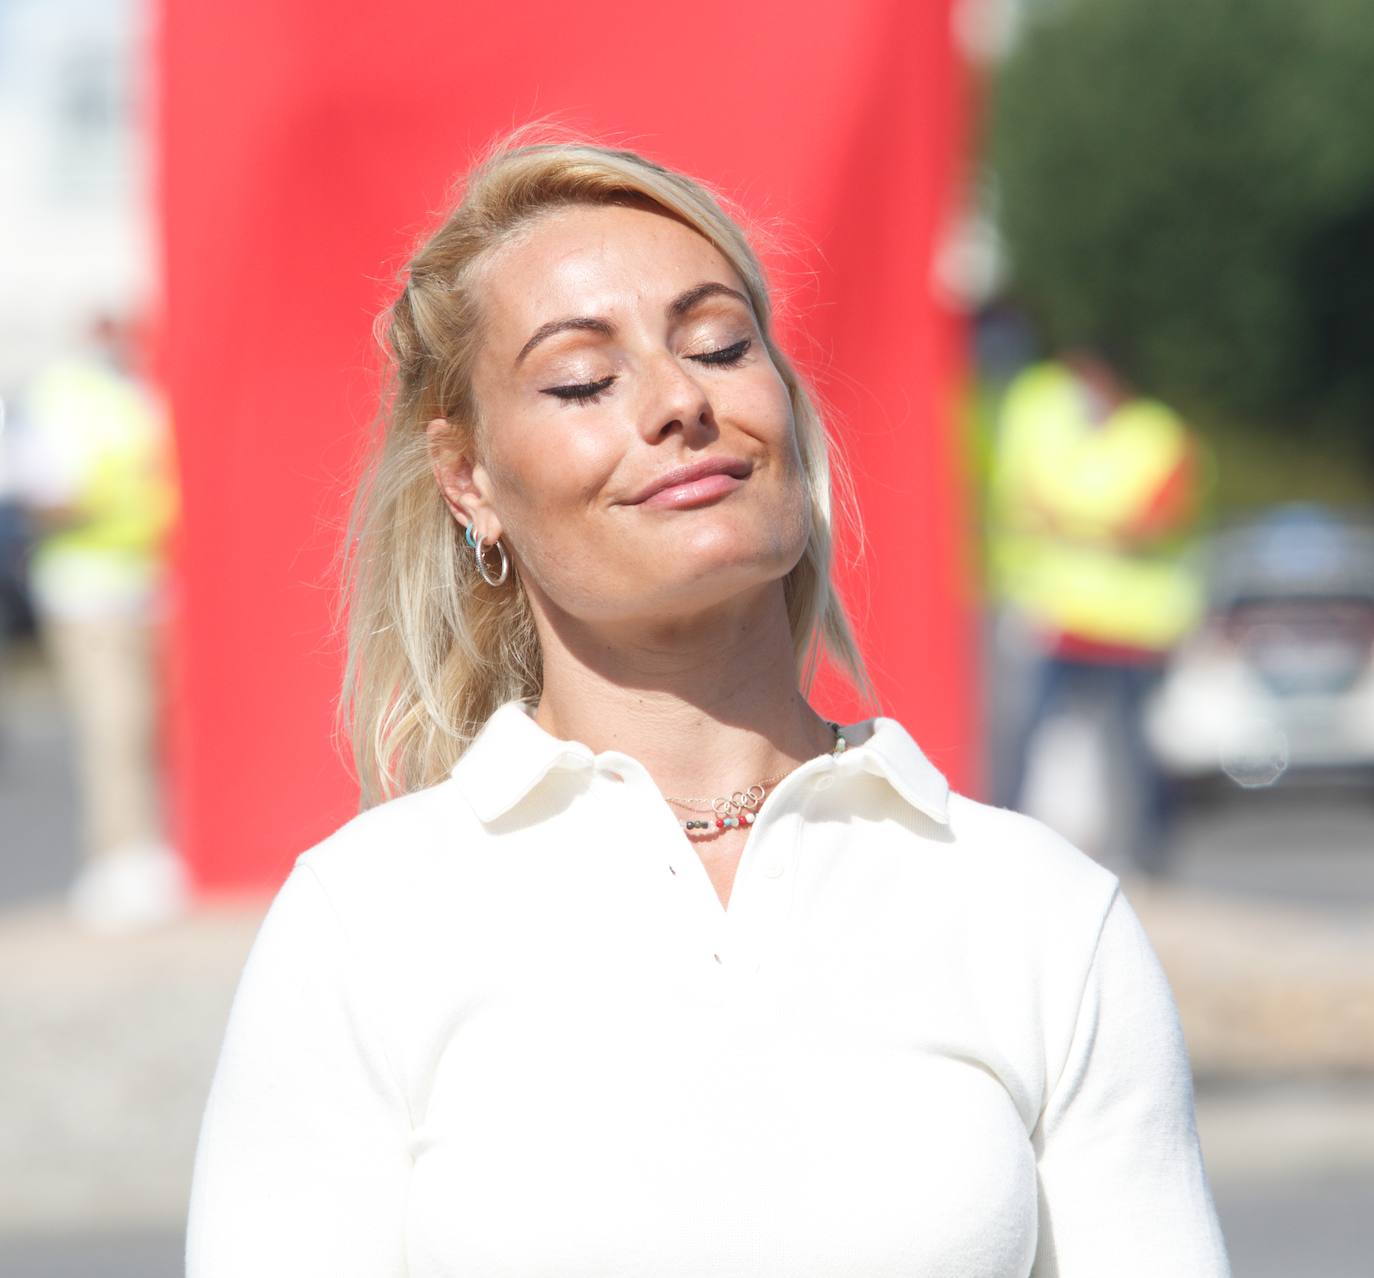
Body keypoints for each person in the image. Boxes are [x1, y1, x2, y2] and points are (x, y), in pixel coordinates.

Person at [186, 134, 1230, 1277]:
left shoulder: (1041, 915)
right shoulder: (366, 921)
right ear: (469, 481)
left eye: (721, 346)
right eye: (583, 378)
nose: (679, 400)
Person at [988, 350, 1206, 875]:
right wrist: (1093, 526)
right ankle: (1001, 844)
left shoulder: (1160, 437)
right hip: (1063, 624)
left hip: (1133, 632)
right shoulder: (1070, 434)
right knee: (1024, 743)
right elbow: (1033, 509)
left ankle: (1150, 860)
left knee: (1137, 755)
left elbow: (1152, 525)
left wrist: (1075, 525)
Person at [10, 315, 185, 929]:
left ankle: (151, 851)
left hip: (143, 579)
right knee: (113, 723)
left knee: (149, 723)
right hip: (86, 587)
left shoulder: (131, 392)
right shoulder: (61, 396)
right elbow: (41, 493)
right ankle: (119, 860)